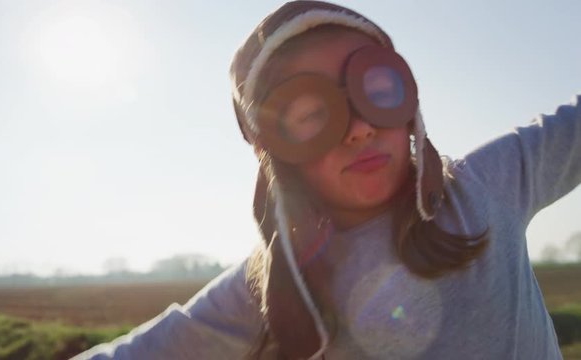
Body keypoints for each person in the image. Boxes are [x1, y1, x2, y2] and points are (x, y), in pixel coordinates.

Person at [73, 1, 579, 359]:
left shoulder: (490, 184)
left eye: (376, 89)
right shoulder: (279, 284)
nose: (359, 129)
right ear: (274, 152)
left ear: (410, 107)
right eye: (313, 113)